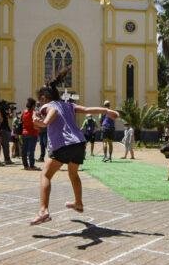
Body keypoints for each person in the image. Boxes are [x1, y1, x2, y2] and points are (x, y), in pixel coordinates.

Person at [30, 67, 119, 225]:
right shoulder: (68, 105)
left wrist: (42, 122)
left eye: (40, 100)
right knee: (73, 174)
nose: (39, 103)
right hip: (79, 143)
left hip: (64, 145)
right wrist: (107, 111)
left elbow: (52, 114)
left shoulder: (47, 106)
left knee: (45, 175)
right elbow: (86, 109)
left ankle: (43, 210)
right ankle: (78, 203)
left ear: (44, 98)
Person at [21, 99, 40, 170]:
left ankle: (25, 165)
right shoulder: (33, 113)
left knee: (24, 150)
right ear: (33, 105)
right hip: (32, 133)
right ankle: (32, 165)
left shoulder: (24, 112)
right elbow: (36, 122)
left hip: (24, 133)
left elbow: (22, 121)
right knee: (31, 150)